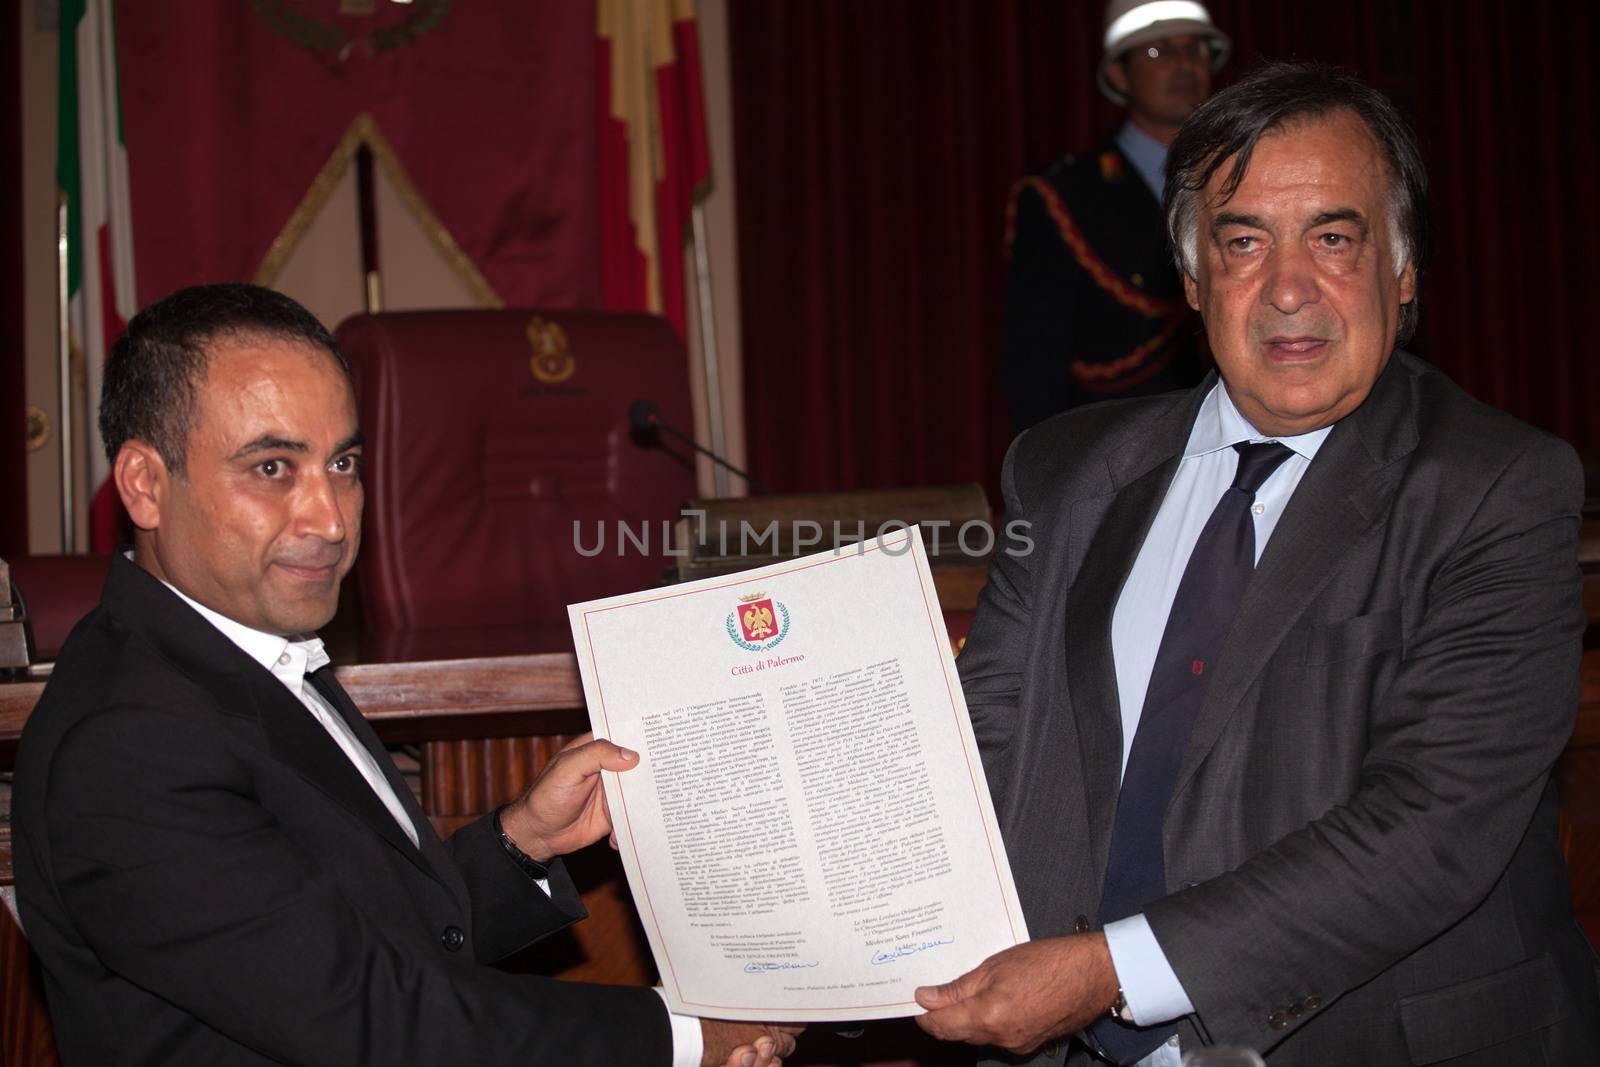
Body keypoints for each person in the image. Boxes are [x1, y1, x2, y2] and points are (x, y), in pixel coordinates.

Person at [918, 64, 1600, 1066]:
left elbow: (1429, 826)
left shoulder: (1498, 489)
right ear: (1192, 280)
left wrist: (1109, 970)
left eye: (1333, 237)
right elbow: (984, 740)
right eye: (1243, 242)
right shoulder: (1065, 473)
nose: (1288, 288)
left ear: (1402, 269)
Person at [12, 283, 800, 1067]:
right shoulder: (128, 743)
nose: (329, 518)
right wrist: (685, 1034)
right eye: (274, 467)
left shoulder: (237, 643)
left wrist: (520, 840)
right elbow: (381, 1017)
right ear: (146, 483)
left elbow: (358, 932)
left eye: (344, 462)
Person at [1000, 0, 1230, 435]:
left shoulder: (1246, 181)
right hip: (1117, 451)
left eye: (1195, 49)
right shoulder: (1064, 198)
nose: (1184, 65)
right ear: (1120, 75)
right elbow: (1034, 371)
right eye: (1159, 52)